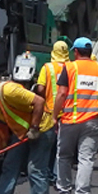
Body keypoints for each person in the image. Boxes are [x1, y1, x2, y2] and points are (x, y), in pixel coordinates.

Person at [52, 37, 98, 194]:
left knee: (64, 157)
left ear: (75, 52)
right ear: (90, 52)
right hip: (93, 120)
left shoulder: (69, 68)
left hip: (70, 120)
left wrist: (55, 116)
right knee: (86, 159)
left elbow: (61, 94)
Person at [34, 40, 70, 182]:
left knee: (47, 145)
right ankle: (57, 177)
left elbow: (41, 88)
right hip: (67, 113)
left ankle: (47, 174)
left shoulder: (47, 68)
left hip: (49, 112)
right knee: (61, 149)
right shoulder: (71, 67)